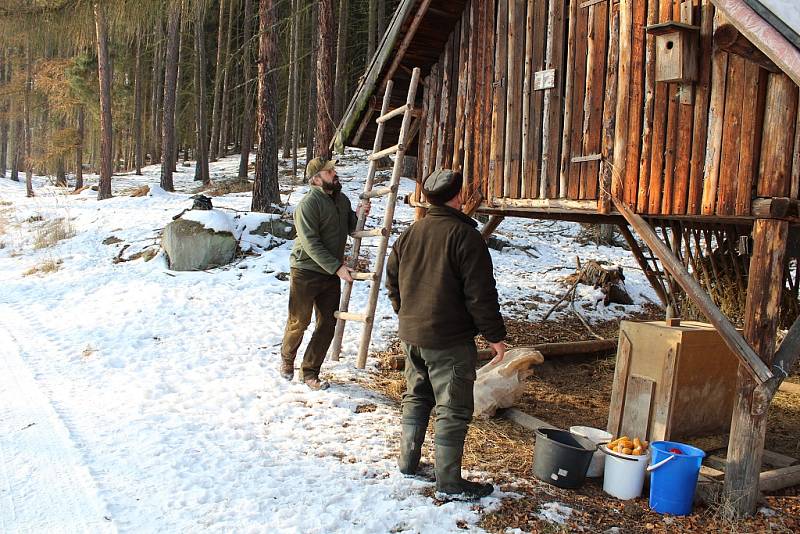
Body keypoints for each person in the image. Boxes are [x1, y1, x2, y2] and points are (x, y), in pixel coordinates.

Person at [385, 168, 506, 499]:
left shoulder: (411, 233)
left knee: (416, 396)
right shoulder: (466, 238)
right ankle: (449, 483)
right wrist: (495, 336)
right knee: (453, 409)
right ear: (456, 197)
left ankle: (408, 463)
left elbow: (391, 280)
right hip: (448, 341)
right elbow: (480, 294)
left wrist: (405, 313)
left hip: (411, 336)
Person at [280, 157, 368, 390]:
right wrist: (338, 268)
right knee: (299, 321)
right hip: (306, 271)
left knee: (328, 323)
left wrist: (359, 215)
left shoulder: (342, 200)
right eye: (329, 172)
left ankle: (310, 372)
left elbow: (350, 227)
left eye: (334, 170)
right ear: (316, 179)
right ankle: (287, 359)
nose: (334, 174)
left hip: (330, 272)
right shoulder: (308, 205)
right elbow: (310, 243)